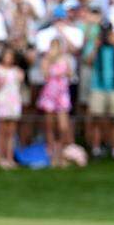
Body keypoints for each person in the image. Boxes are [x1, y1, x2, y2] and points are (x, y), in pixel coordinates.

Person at [85, 21, 114, 160]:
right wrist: (96, 47)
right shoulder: (94, 43)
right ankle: (97, 148)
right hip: (98, 86)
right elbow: (88, 62)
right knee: (97, 118)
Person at [37, 37, 73, 167]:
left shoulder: (65, 59)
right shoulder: (46, 59)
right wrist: (51, 60)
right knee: (50, 126)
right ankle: (52, 155)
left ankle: (61, 154)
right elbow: (45, 74)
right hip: (50, 95)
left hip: (62, 95)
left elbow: (70, 74)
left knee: (63, 127)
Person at [0, 47, 23, 170]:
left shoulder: (17, 71)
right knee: (2, 131)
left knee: (11, 132)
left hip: (14, 101)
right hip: (2, 100)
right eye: (6, 56)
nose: (8, 58)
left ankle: (10, 158)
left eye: (10, 56)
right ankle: (1, 157)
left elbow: (20, 85)